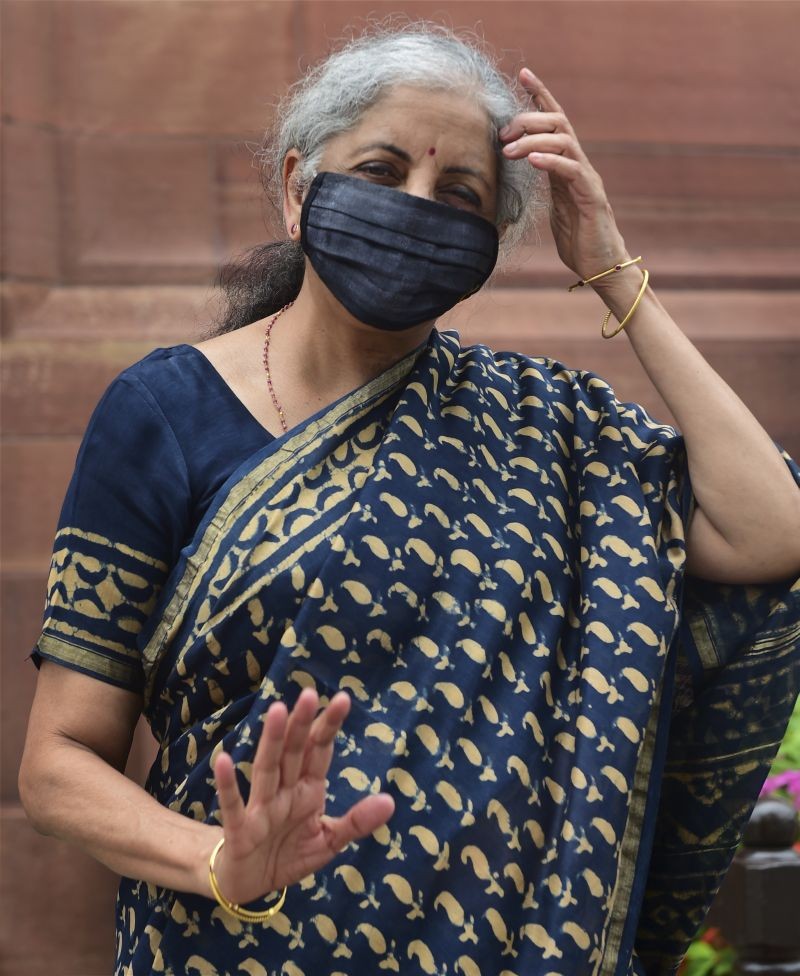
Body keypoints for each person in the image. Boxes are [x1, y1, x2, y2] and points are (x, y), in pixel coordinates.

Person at [18, 22, 800, 976]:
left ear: (487, 240)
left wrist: (610, 263)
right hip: (238, 945)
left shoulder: (541, 428)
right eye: (383, 172)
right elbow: (58, 763)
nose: (418, 207)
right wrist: (223, 858)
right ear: (302, 187)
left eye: (459, 194)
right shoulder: (164, 412)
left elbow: (773, 530)